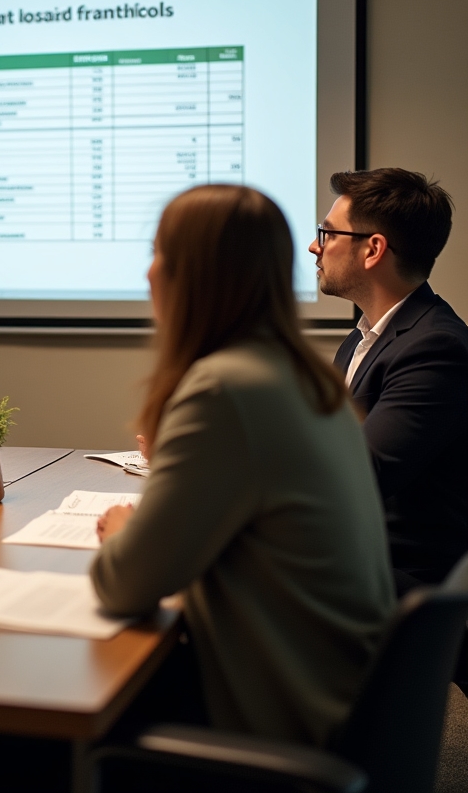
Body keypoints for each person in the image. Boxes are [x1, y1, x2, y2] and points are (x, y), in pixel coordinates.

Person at [90, 185, 394, 748]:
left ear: (195, 277)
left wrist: (123, 527)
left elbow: (123, 584)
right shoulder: (303, 377)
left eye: (160, 255)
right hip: (337, 698)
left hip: (275, 722)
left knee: (14, 729)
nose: (150, 275)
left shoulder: (226, 389)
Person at [308, 168, 468, 593]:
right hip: (352, 555)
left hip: (395, 583)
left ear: (373, 249)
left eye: (326, 234)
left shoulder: (435, 348)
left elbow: (357, 475)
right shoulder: (365, 338)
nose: (314, 247)